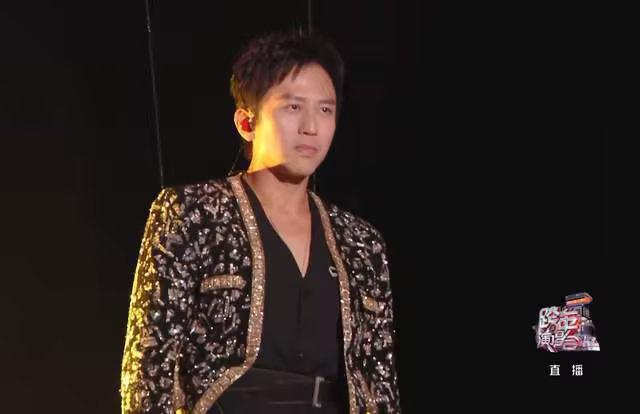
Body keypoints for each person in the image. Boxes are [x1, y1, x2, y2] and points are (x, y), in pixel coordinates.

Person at [120, 28, 401, 414]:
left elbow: (380, 384)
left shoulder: (361, 242)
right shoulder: (193, 213)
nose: (311, 126)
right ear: (246, 122)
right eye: (293, 107)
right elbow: (149, 370)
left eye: (325, 109)